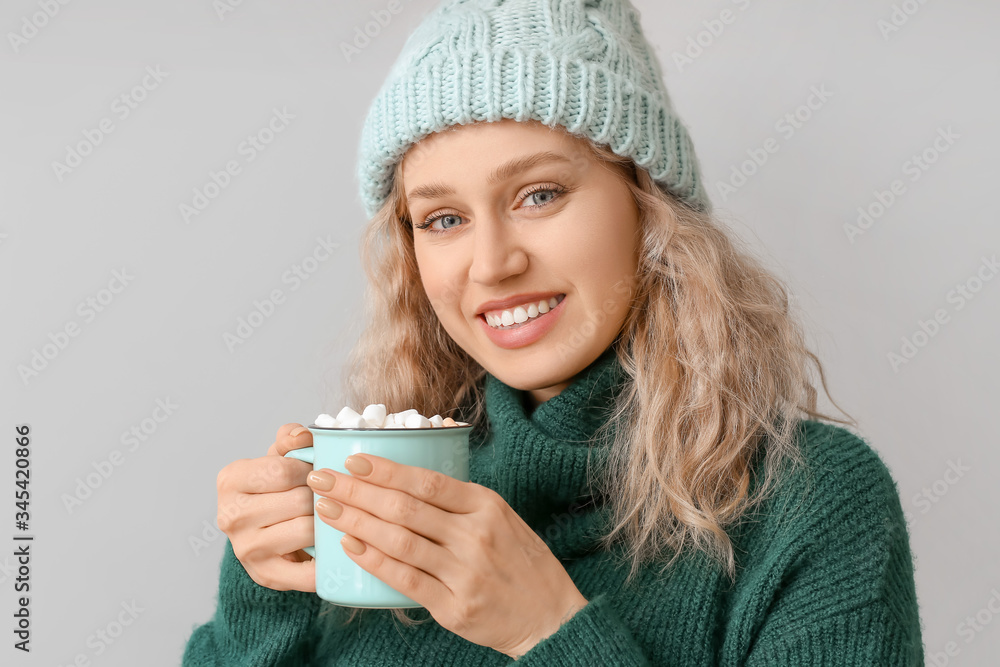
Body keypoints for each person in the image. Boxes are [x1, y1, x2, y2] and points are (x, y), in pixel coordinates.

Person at [184, 0, 924, 664]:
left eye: (539, 194)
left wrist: (547, 631)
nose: (492, 263)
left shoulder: (812, 501)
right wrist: (261, 595)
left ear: (648, 205)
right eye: (443, 219)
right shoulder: (376, 496)